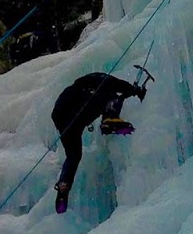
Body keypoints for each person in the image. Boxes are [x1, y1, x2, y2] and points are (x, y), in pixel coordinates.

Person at [51, 71, 146, 213]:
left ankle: (64, 184)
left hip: (62, 117)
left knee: (73, 155)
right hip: (74, 109)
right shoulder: (102, 80)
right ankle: (109, 120)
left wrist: (131, 91)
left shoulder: (82, 85)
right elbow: (117, 86)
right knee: (113, 96)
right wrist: (135, 90)